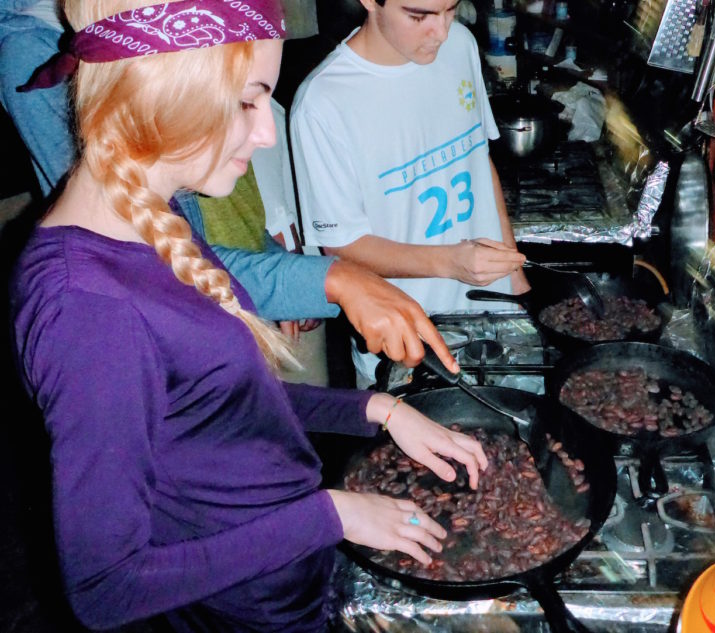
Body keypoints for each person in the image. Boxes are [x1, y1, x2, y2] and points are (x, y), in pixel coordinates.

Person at [9, 1, 488, 630]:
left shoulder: (157, 215)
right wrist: (332, 515)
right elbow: (106, 588)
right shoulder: (89, 312)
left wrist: (377, 410)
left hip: (286, 575)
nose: (266, 133)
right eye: (247, 101)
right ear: (167, 91)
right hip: (239, 610)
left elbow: (220, 405)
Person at [290, 0, 530, 387]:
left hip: (497, 319)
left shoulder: (461, 46)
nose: (441, 32)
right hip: (409, 342)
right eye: (418, 16)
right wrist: (450, 262)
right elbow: (342, 247)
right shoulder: (323, 103)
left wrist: (515, 276)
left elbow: (478, 159)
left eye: (450, 10)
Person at [0, 0, 73, 195]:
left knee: (21, 52)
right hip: (30, 30)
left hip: (102, 32)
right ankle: (76, 209)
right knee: (20, 54)